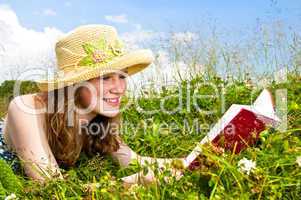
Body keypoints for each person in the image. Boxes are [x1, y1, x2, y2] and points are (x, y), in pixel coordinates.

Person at [0, 24, 185, 185]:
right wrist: (135, 182)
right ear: (75, 83)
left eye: (122, 76)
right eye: (106, 77)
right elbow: (49, 186)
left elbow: (133, 161)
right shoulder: (27, 108)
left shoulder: (99, 119)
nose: (119, 89)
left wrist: (190, 162)